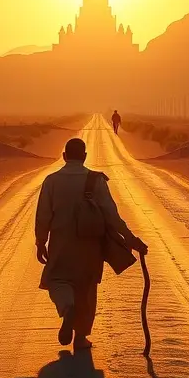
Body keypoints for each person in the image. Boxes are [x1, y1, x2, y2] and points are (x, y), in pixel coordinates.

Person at [35, 137, 147, 350]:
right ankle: (80, 338)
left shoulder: (51, 181)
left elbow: (43, 215)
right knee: (86, 289)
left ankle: (67, 307)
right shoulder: (96, 180)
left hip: (61, 244)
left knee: (57, 280)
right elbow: (111, 216)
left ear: (65, 156)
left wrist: (41, 241)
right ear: (84, 157)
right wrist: (131, 240)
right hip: (90, 245)